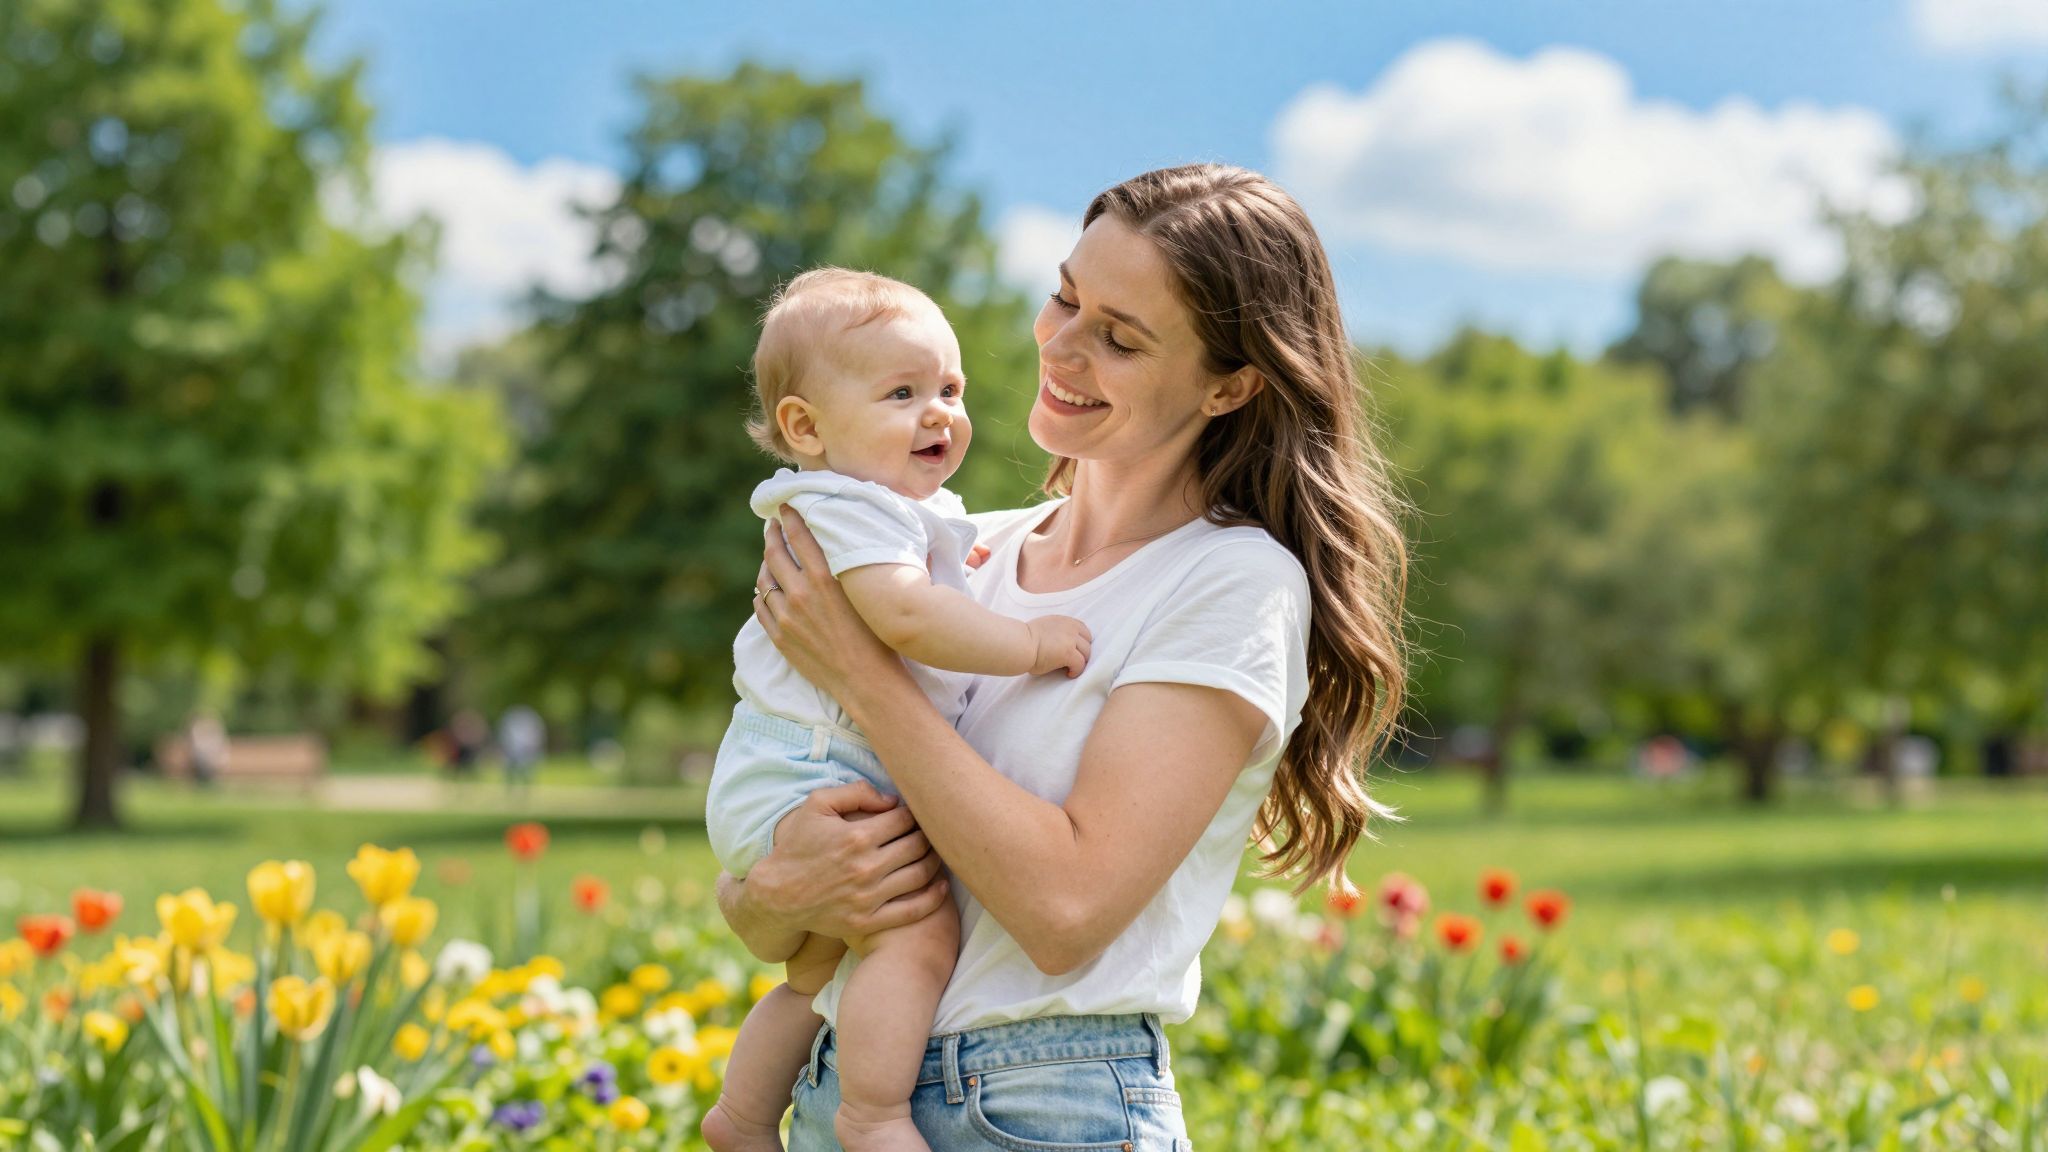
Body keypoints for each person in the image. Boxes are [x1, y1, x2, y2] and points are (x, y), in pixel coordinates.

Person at [721, 164, 1411, 1151]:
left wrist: (863, 679)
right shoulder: (952, 552)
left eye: (1119, 338)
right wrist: (771, 894)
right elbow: (777, 893)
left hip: (1045, 1105)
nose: (1061, 345)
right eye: (1065, 297)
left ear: (1229, 385)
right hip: (842, 1088)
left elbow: (1064, 908)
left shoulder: (1229, 583)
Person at [703, 269, 1093, 1152]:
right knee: (916, 935)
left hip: (793, 771)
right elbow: (909, 617)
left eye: (950, 389)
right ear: (807, 428)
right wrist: (1031, 644)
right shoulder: (854, 508)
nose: (939, 413)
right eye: (902, 394)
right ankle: (874, 1114)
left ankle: (743, 1115)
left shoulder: (889, 511)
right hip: (814, 769)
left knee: (816, 971)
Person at [498, 704, 545, 796]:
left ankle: (525, 790)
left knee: (525, 771)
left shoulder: (529, 724)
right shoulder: (511, 724)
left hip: (525, 751)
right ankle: (510, 790)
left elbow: (536, 737)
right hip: (512, 751)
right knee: (511, 771)